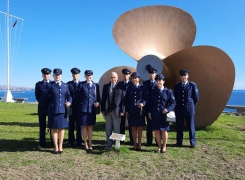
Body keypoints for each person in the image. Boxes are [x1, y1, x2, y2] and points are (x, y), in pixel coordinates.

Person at [148, 74, 176, 153]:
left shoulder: (168, 91)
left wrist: (168, 109)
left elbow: (173, 103)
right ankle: (159, 146)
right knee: (156, 131)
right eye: (157, 81)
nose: (158, 82)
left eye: (160, 80)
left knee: (164, 131)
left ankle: (164, 146)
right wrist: (149, 112)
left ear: (163, 81)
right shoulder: (153, 91)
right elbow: (151, 103)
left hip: (164, 115)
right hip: (155, 114)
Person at [47, 68, 72, 154]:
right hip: (53, 110)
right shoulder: (50, 85)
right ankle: (55, 146)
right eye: (55, 75)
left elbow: (69, 96)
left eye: (59, 75)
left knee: (61, 129)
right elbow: (46, 97)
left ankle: (60, 145)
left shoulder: (65, 85)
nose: (57, 76)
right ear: (53, 76)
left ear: (61, 76)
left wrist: (69, 102)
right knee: (53, 128)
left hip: (62, 111)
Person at [173, 69, 199, 148]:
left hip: (189, 110)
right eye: (182, 75)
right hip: (179, 109)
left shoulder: (192, 85)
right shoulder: (177, 85)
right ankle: (179, 142)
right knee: (179, 127)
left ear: (187, 76)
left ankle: (193, 143)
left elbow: (196, 97)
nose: (183, 77)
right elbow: (175, 97)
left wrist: (190, 105)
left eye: (184, 75)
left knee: (191, 127)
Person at [77, 70, 101, 151]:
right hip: (83, 109)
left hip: (91, 109)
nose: (88, 77)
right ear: (85, 76)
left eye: (90, 76)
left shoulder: (95, 86)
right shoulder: (81, 85)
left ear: (92, 76)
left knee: (90, 126)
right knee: (84, 127)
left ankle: (90, 143)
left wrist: (98, 102)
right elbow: (78, 97)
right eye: (87, 76)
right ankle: (85, 143)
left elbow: (98, 97)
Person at [101, 72, 123, 150]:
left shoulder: (120, 87)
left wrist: (122, 110)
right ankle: (108, 143)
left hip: (116, 111)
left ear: (117, 78)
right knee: (108, 128)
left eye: (114, 77)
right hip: (107, 110)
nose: (113, 79)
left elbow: (123, 99)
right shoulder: (106, 86)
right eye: (111, 77)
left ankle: (117, 144)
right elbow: (103, 99)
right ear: (109, 78)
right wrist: (102, 109)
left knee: (117, 128)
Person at [125, 72, 148, 150]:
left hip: (140, 111)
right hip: (132, 111)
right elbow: (126, 100)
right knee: (133, 128)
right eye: (133, 78)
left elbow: (146, 99)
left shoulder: (143, 88)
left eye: (136, 78)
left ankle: (139, 144)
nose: (134, 79)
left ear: (138, 79)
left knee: (139, 128)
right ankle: (134, 144)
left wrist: (143, 103)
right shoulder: (129, 88)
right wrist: (127, 110)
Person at [35, 68, 53, 149]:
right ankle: (42, 143)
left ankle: (53, 142)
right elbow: (37, 96)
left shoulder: (53, 84)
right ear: (42, 75)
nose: (46, 76)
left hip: (51, 108)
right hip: (42, 108)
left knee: (52, 126)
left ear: (50, 75)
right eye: (45, 74)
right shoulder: (38, 84)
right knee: (42, 126)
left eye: (48, 74)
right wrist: (41, 101)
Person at [117, 68, 133, 144]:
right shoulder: (119, 84)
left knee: (131, 124)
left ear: (129, 75)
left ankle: (132, 140)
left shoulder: (132, 84)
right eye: (124, 74)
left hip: (130, 107)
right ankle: (121, 139)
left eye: (127, 74)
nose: (125, 76)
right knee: (121, 124)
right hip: (121, 107)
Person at [67, 67, 82, 147]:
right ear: (72, 75)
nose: (75, 75)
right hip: (72, 108)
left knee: (79, 125)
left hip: (80, 108)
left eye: (76, 74)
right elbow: (68, 95)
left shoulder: (82, 84)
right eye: (74, 74)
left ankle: (79, 141)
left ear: (79, 75)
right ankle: (71, 141)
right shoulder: (68, 84)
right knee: (71, 125)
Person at [143, 67, 157, 146]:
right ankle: (149, 141)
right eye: (150, 73)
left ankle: (157, 141)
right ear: (148, 74)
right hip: (148, 107)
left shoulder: (158, 83)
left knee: (157, 125)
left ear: (155, 74)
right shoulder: (145, 83)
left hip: (156, 107)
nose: (151, 75)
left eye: (153, 73)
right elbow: (145, 96)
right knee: (149, 126)